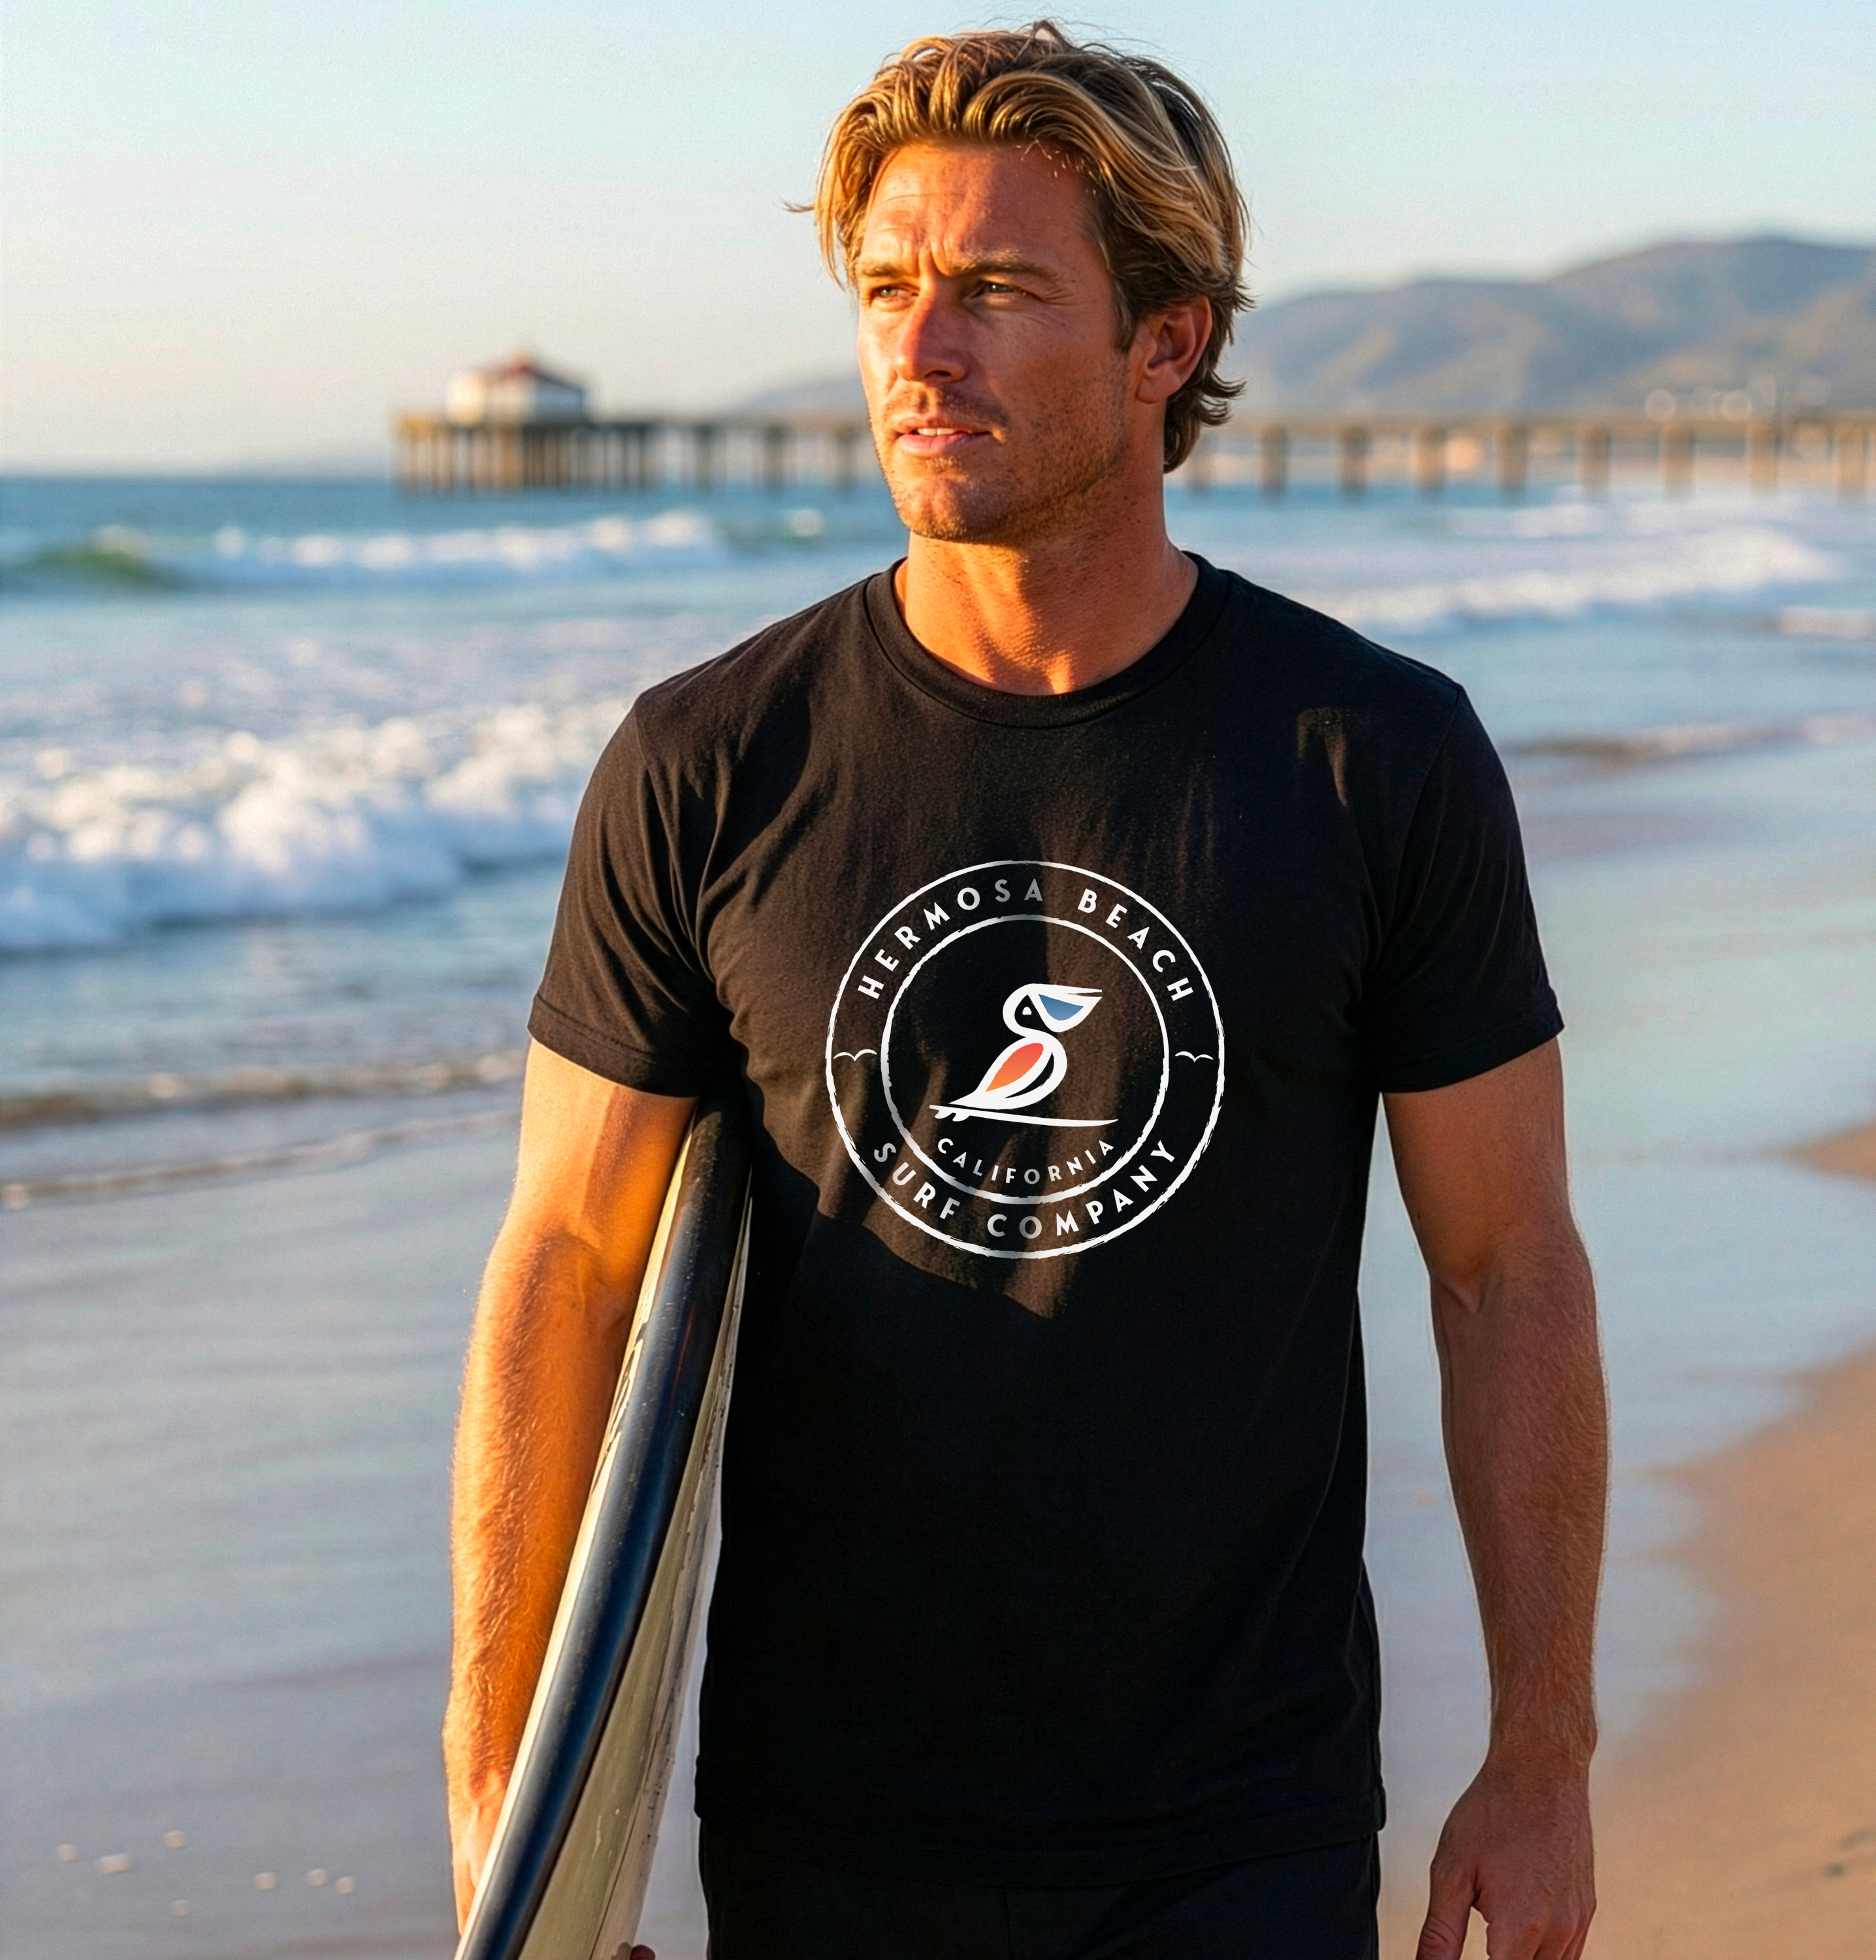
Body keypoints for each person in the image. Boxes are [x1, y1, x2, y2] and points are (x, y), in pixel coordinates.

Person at [444, 24, 1607, 1960]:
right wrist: (514, 1806)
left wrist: (1542, 1753)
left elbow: (1507, 1266)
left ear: (1168, 341)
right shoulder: (708, 764)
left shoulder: (1371, 758)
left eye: (996, 289)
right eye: (887, 289)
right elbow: (566, 1266)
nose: (921, 347)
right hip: (830, 1830)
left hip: (1241, 1823)